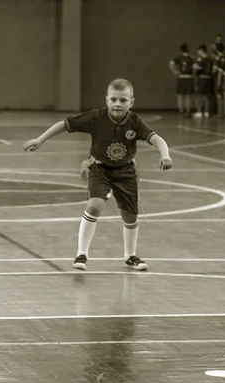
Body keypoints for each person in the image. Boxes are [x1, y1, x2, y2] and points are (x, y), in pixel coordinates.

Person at [23, 78, 173, 271]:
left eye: (123, 100)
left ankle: (130, 256)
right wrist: (40, 139)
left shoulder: (135, 122)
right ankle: (81, 254)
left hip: (125, 172)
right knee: (94, 205)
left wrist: (165, 154)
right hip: (98, 168)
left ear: (131, 102)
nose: (118, 104)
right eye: (113, 99)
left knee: (130, 215)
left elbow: (157, 139)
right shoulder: (95, 118)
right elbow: (64, 124)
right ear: (107, 100)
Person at [168, 43, 195, 116]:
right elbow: (195, 66)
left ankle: (181, 110)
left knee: (181, 95)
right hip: (188, 77)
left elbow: (170, 63)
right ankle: (188, 110)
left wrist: (176, 72)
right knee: (188, 95)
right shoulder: (191, 58)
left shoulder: (179, 58)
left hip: (182, 77)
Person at [192, 44, 214, 118]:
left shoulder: (202, 60)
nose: (198, 53)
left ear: (201, 51)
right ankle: (206, 112)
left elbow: (198, 70)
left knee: (199, 95)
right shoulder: (210, 59)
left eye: (199, 51)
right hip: (209, 79)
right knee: (206, 96)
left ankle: (199, 111)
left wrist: (195, 67)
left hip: (202, 79)